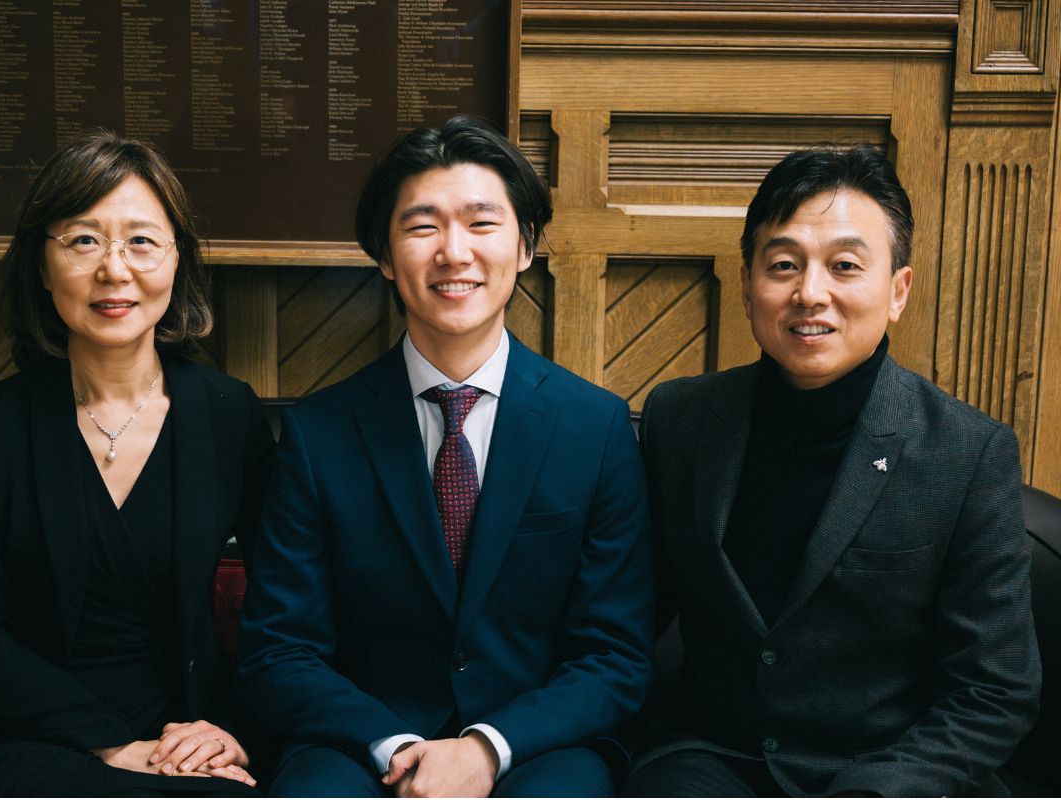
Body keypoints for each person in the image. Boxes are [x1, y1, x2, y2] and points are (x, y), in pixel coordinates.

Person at [236, 115, 653, 797]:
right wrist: (397, 746)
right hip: (360, 742)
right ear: (384, 254)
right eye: (423, 226)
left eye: (481, 223)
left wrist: (488, 748)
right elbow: (279, 650)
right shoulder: (319, 434)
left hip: (538, 746)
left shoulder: (595, 428)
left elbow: (616, 656)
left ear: (524, 246)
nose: (454, 252)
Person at [629, 146, 1041, 797]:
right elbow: (626, 617)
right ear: (746, 285)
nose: (810, 293)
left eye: (844, 266)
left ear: (898, 291)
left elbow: (995, 690)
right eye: (784, 265)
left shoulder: (966, 451)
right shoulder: (679, 421)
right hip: (712, 759)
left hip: (890, 769)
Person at [0, 131, 274, 796]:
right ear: (41, 263)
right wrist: (110, 744)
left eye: (141, 241)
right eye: (83, 240)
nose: (115, 269)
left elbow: (286, 606)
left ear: (177, 261)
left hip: (180, 736)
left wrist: (228, 728)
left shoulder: (230, 415)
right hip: (23, 734)